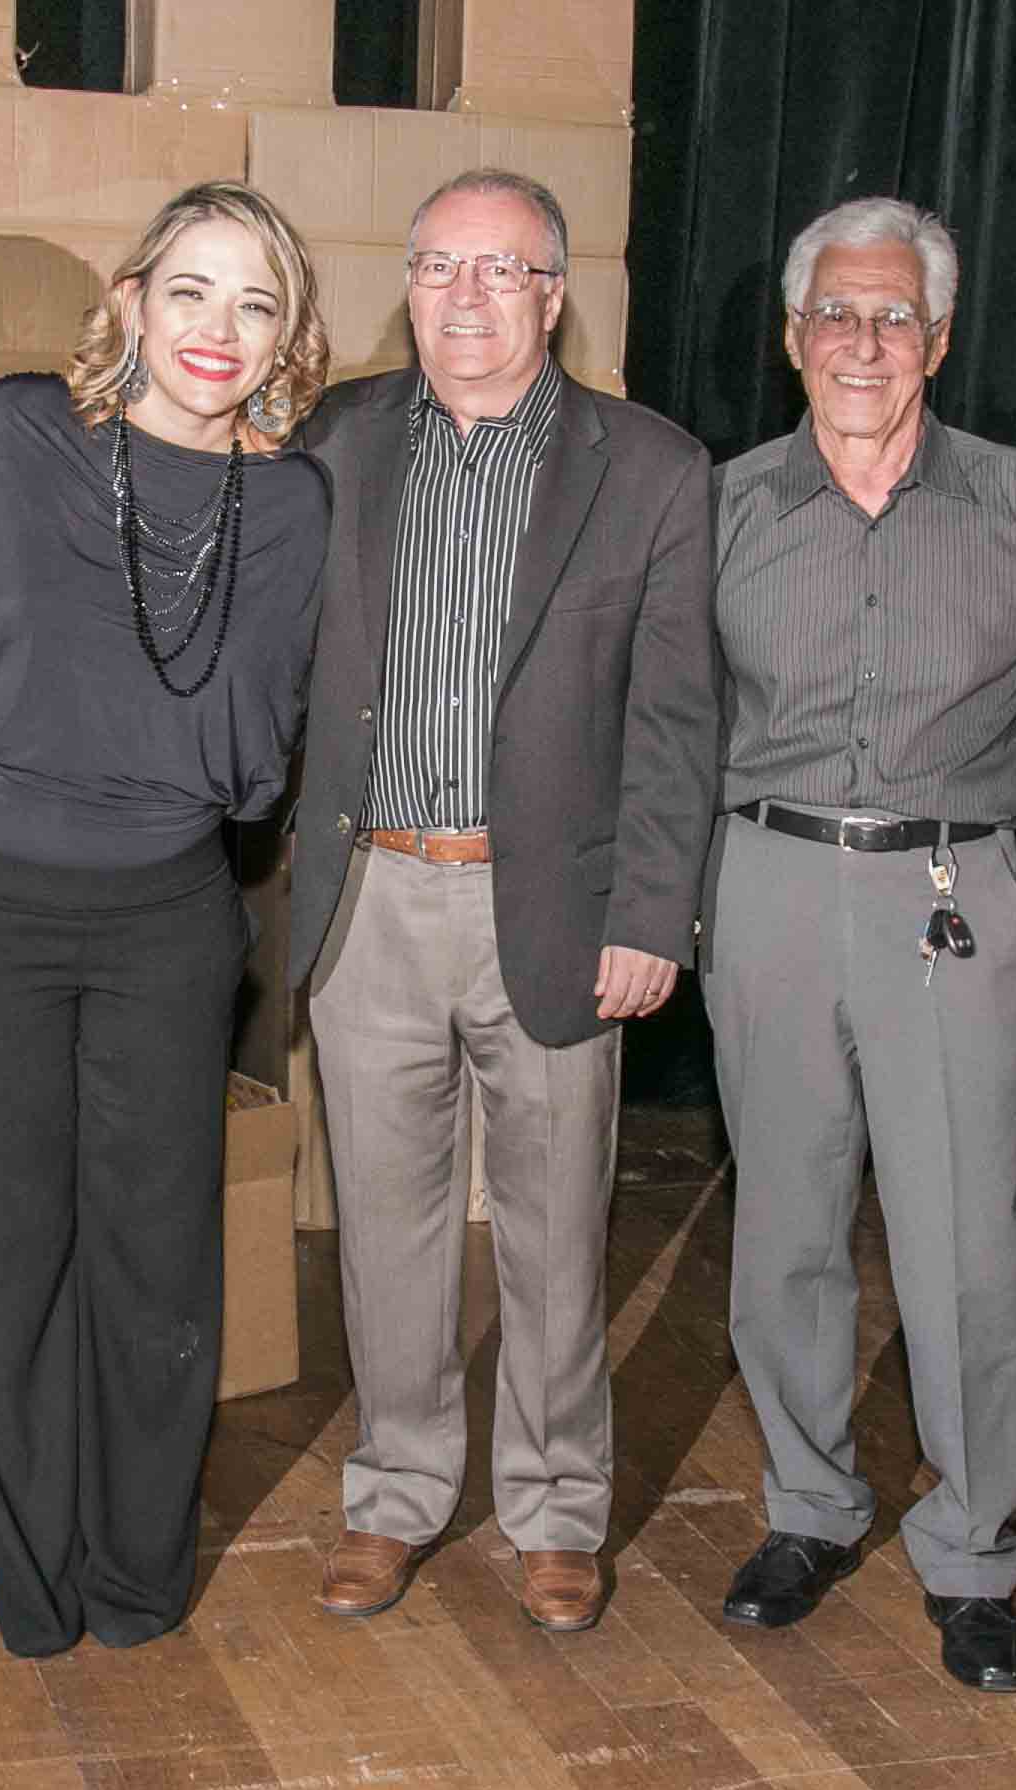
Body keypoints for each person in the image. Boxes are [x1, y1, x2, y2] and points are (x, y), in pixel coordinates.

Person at [0, 181, 333, 1657]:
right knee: (6, 1261)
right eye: (191, 289)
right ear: (130, 300)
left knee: (157, 1263)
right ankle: (34, 1581)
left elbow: (269, 736)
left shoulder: (293, 506)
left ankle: (139, 1574)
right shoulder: (7, 438)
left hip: (168, 918)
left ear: (286, 341)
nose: (219, 328)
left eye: (257, 303)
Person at [289, 168, 719, 1634]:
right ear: (407, 285)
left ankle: (555, 1508)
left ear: (551, 297)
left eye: (500, 270)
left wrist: (651, 913)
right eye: (438, 267)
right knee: (384, 1226)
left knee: (554, 1232)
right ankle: (394, 1493)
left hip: (555, 908)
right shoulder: (332, 439)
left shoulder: (648, 467)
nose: (465, 297)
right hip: (368, 896)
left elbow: (676, 717)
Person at [700, 197, 1016, 1693]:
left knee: (968, 1246)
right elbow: (678, 718)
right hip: (766, 885)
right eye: (836, 315)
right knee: (784, 1229)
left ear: (939, 338)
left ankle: (975, 1552)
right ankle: (808, 1508)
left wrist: (997, 864)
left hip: (951, 893)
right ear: (792, 335)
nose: (863, 343)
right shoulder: (727, 506)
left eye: (894, 316)